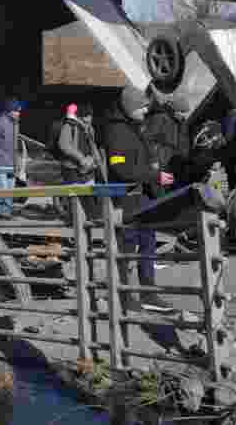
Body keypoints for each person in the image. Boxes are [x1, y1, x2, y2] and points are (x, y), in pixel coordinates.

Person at [101, 87, 175, 313]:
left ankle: (148, 293)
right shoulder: (116, 131)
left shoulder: (132, 127)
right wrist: (154, 175)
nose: (146, 110)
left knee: (147, 244)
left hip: (141, 196)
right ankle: (123, 295)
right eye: (142, 107)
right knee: (126, 247)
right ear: (130, 107)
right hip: (127, 199)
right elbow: (120, 167)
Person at [143, 92, 193, 194]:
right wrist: (153, 160)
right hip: (158, 162)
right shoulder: (161, 118)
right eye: (182, 112)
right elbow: (146, 138)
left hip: (169, 163)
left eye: (185, 113)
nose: (184, 115)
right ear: (175, 109)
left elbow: (182, 144)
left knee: (165, 192)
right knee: (157, 192)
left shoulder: (180, 123)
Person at [57, 103, 99, 219]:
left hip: (87, 167)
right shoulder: (69, 126)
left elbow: (92, 145)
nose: (88, 119)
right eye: (85, 116)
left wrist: (93, 159)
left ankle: (92, 219)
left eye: (90, 116)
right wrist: (80, 158)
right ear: (79, 117)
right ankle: (75, 221)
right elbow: (64, 145)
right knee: (75, 197)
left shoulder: (90, 129)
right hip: (71, 168)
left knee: (89, 195)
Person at [0, 98, 24, 220]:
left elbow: (15, 146)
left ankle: (5, 211)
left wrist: (18, 162)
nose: (19, 113)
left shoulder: (15, 124)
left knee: (10, 190)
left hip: (11, 163)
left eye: (19, 111)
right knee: (2, 189)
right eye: (16, 111)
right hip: (0, 162)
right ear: (9, 111)